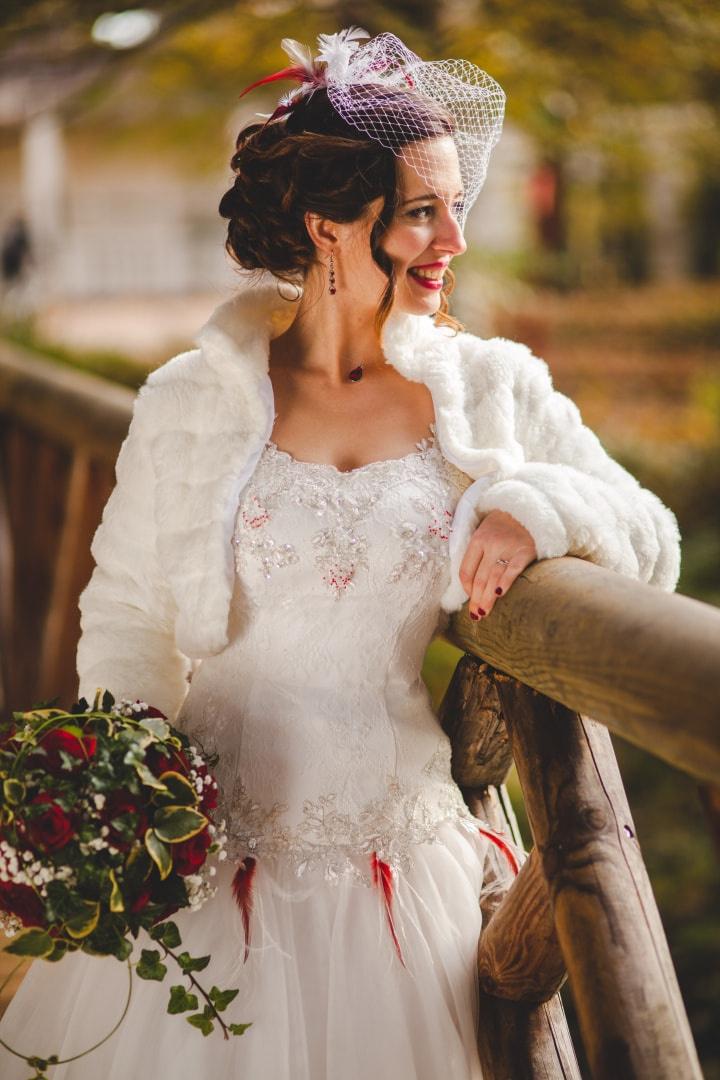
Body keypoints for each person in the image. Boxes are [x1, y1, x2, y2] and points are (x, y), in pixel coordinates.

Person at [0, 28, 681, 1080]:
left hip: (397, 866)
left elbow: (649, 530)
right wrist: (128, 800)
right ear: (326, 225)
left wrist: (538, 508)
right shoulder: (194, 398)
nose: (455, 233)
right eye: (421, 210)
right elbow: (129, 611)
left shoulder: (488, 387)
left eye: (458, 202)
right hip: (208, 851)